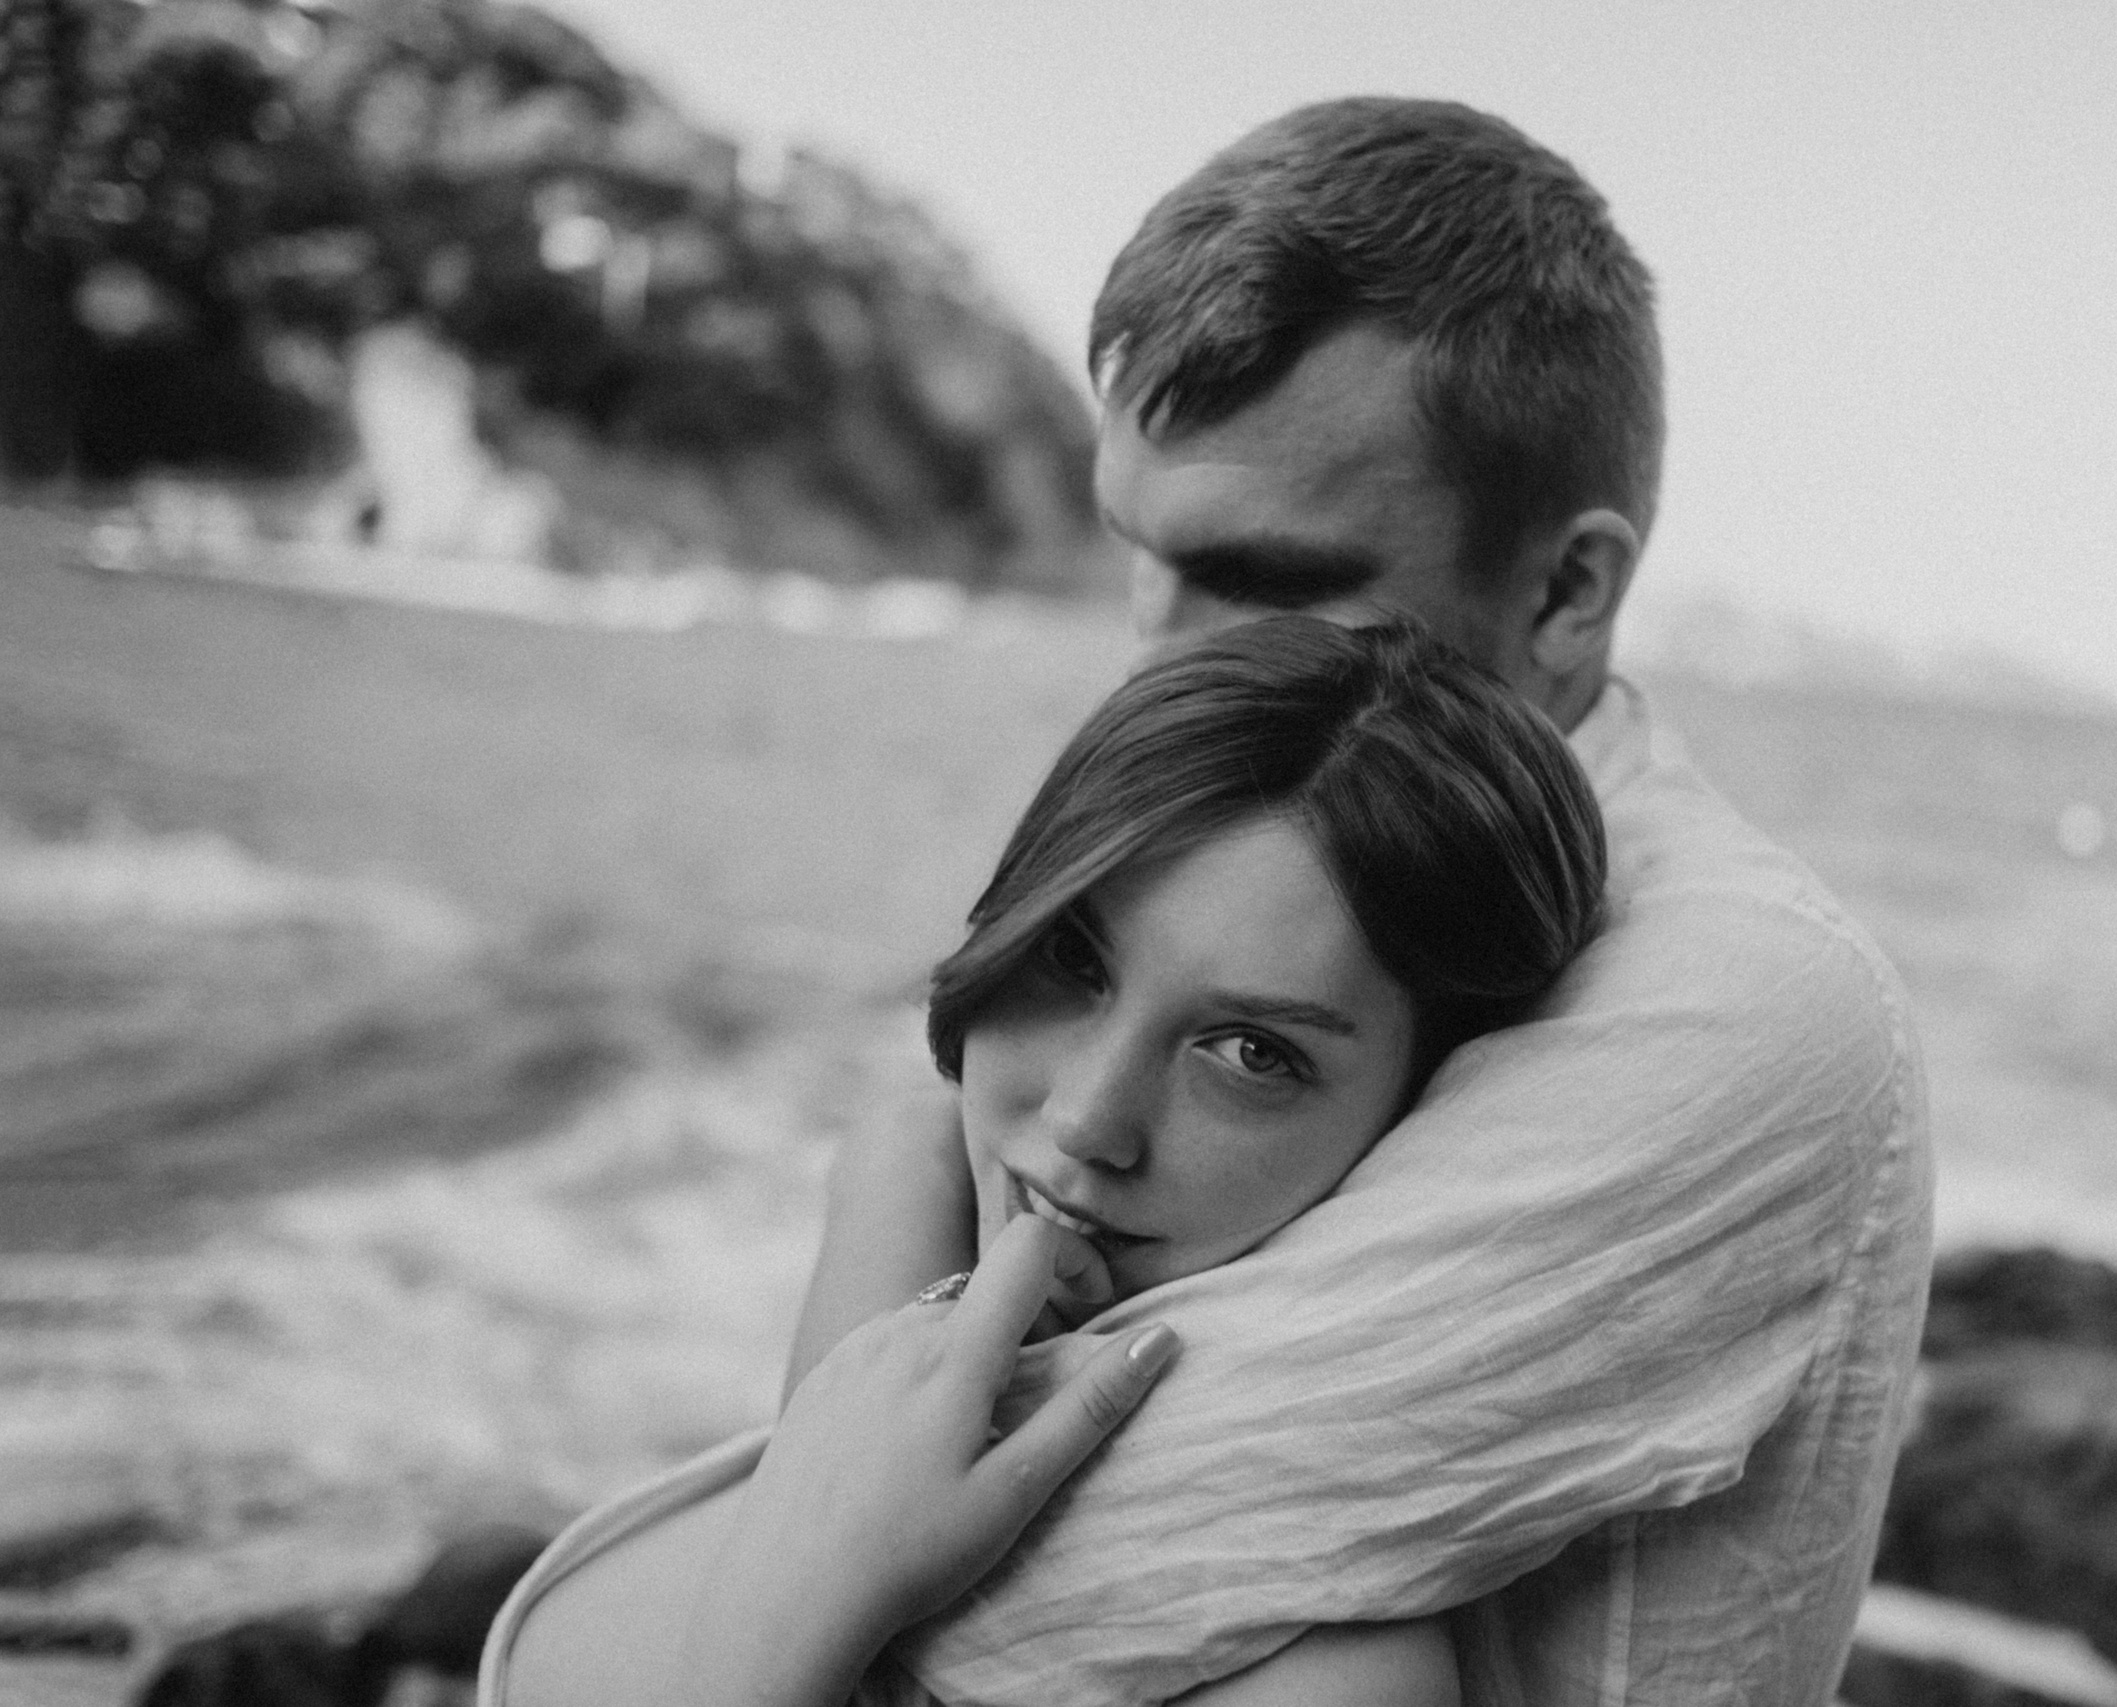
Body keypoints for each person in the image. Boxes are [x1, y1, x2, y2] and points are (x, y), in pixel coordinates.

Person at [783, 97, 1935, 1706]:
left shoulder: (1744, 994)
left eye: (1264, 580)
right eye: (1141, 555)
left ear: (1565, 591)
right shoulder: (1282, 850)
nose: (1160, 664)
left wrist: (783, 1519)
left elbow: (1008, 1597)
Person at [484, 617, 1616, 1706]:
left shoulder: (1329, 1683)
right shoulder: (914, 1184)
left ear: (1428, 1119)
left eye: (1250, 1053)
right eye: (1073, 958)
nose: (1082, 1120)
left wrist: (795, 1627)